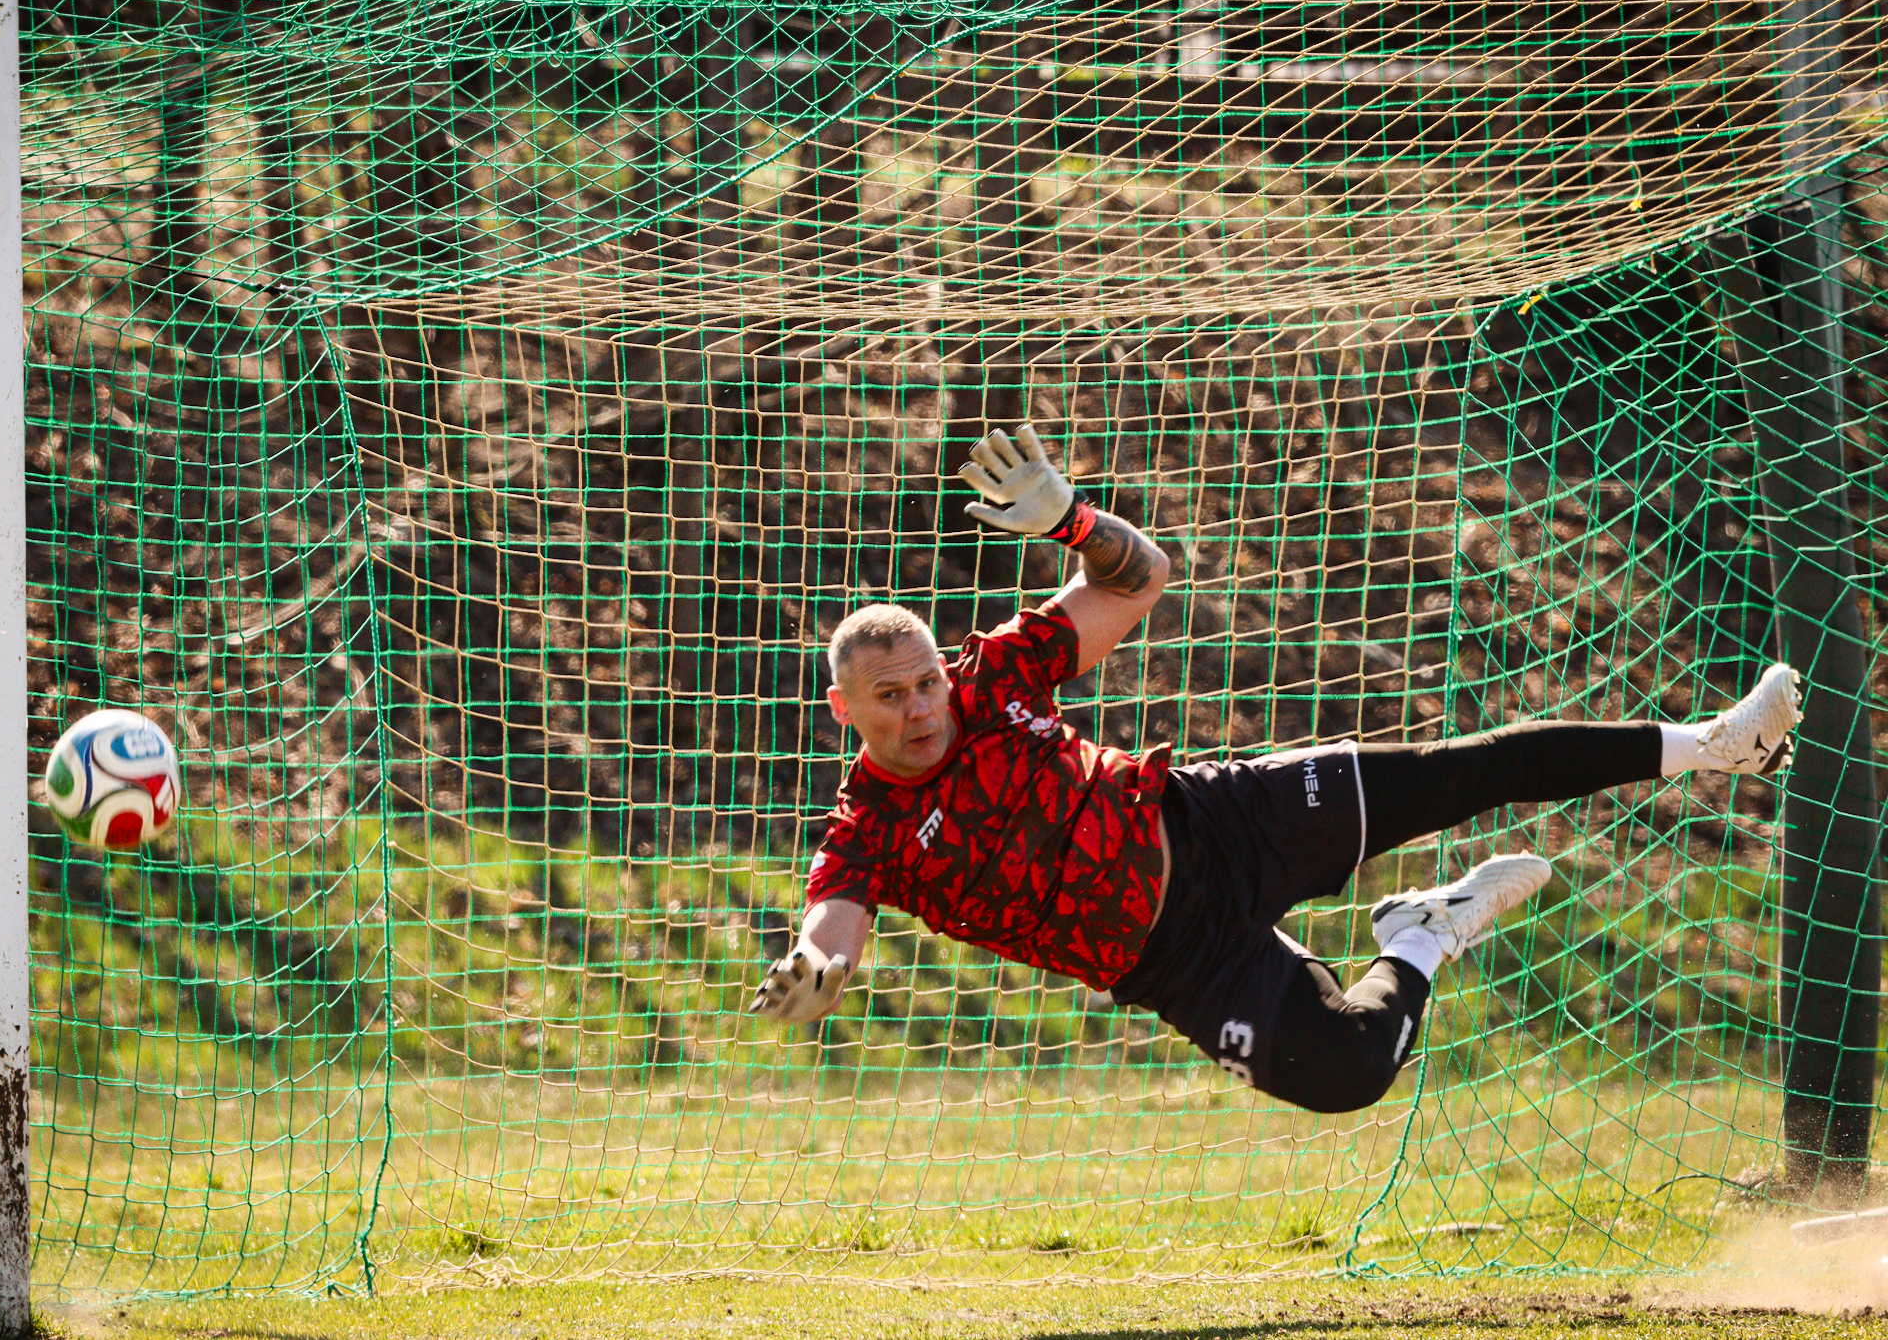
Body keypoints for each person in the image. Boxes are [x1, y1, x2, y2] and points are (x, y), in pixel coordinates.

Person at [748, 425, 1802, 1114]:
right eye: (890, 697)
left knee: (1457, 774)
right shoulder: (864, 830)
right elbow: (830, 932)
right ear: (845, 710)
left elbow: (1141, 577)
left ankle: (1714, 742)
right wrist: (813, 974)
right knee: (1349, 1072)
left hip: (1215, 819)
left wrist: (1072, 522)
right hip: (1175, 959)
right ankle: (1421, 935)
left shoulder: (996, 675)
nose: (921, 707)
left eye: (925, 682)